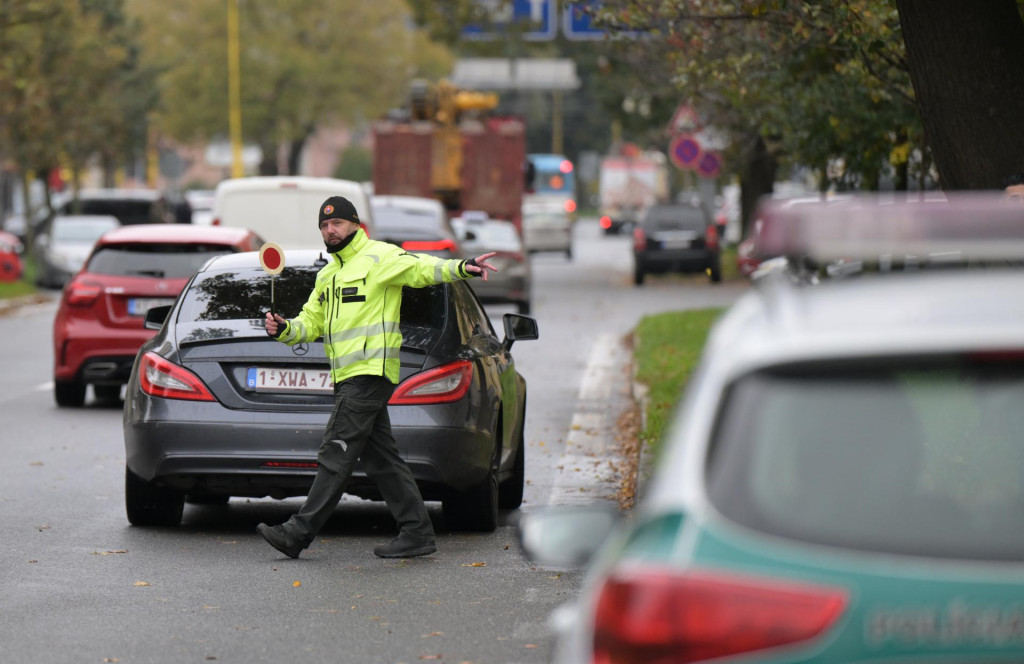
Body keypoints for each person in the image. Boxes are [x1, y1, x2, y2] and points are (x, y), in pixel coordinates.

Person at [257, 195, 497, 559]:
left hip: (370, 372)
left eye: (336, 223)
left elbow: (423, 268)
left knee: (335, 451)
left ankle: (298, 532)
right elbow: (311, 324)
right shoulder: (327, 275)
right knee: (380, 458)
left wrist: (464, 266)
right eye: (324, 226)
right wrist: (284, 329)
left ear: (355, 223)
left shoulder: (380, 257)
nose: (330, 230)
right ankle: (417, 532)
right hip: (347, 376)